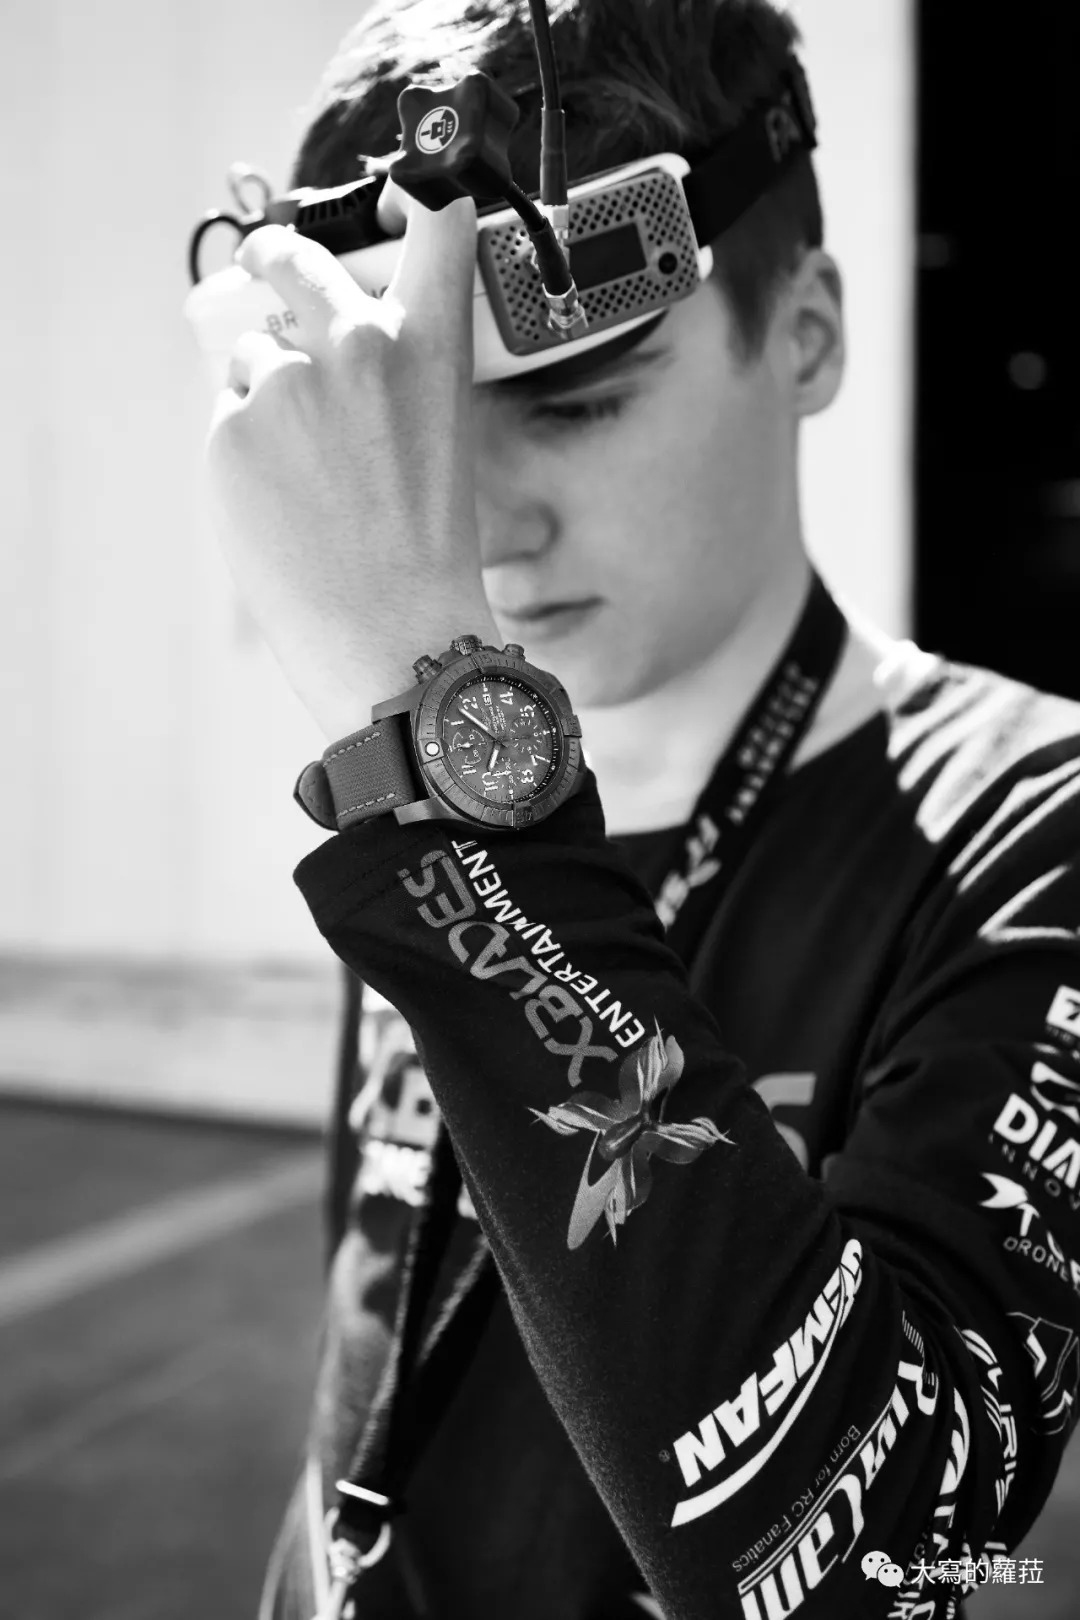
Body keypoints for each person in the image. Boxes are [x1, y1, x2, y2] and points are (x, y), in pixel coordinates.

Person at [204, 2, 1080, 1615]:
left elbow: (889, 1564)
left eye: (576, 401)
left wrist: (445, 759)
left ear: (805, 333)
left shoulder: (1038, 822)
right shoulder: (434, 793)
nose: (476, 526)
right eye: (423, 433)